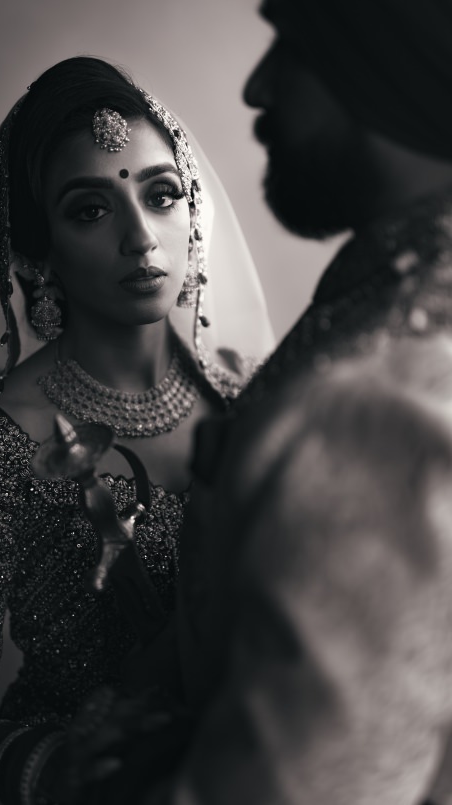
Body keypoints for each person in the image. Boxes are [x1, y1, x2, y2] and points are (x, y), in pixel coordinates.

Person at [76, 2, 452, 802]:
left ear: (380, 63)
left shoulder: (383, 404)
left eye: (296, 46)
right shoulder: (371, 304)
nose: (256, 87)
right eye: (89, 208)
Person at [0, 56, 273, 801]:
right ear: (36, 252)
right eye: (90, 210)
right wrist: (76, 775)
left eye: (162, 194)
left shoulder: (257, 403)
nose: (142, 239)